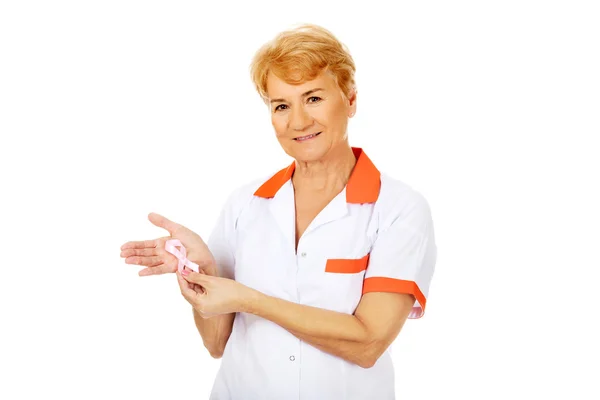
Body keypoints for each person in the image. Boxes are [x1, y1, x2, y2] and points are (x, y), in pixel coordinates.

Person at [120, 23, 437, 400]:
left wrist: (248, 299)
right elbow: (217, 342)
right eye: (282, 105)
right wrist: (204, 270)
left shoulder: (399, 209)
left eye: (314, 98)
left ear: (350, 100)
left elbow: (368, 343)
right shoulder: (246, 204)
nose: (298, 121)